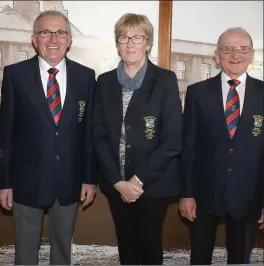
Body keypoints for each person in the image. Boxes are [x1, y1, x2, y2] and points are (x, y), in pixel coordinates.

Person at [0, 10, 96, 265]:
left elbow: (88, 133)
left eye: (60, 32)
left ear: (69, 40)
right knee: (25, 254)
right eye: (45, 33)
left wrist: (89, 178)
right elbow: (5, 133)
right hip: (25, 181)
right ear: (34, 39)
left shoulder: (86, 77)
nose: (53, 39)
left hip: (69, 181)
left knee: (63, 251)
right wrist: (4, 182)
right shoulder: (15, 75)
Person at [92, 13, 182, 265]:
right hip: (116, 183)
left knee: (150, 246)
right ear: (117, 43)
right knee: (127, 247)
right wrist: (117, 182)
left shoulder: (165, 80)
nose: (130, 44)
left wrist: (137, 180)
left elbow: (173, 139)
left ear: (148, 43)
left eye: (137, 37)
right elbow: (97, 136)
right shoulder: (104, 82)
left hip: (152, 184)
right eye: (124, 37)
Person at [179, 27, 264, 265]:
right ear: (217, 55)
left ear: (251, 54)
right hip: (203, 194)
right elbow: (188, 147)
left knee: (240, 258)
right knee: (200, 257)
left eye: (242, 49)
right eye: (228, 49)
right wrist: (186, 193)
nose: (235, 55)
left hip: (249, 196)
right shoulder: (197, 93)